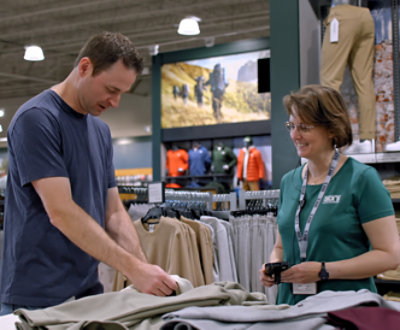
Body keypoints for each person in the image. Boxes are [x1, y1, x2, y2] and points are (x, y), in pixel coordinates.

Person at [0, 31, 177, 314]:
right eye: (111, 89)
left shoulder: (100, 131)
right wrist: (133, 269)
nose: (115, 102)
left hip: (87, 290)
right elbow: (61, 211)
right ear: (85, 67)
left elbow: (114, 213)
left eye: (122, 93)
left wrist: (142, 268)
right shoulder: (36, 119)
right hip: (35, 296)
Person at [259, 85, 400, 305]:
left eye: (304, 127)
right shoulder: (289, 181)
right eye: (291, 125)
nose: (295, 135)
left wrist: (324, 271)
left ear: (332, 129)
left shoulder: (361, 179)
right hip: (291, 308)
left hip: (346, 309)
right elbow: (281, 246)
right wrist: (273, 265)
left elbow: (390, 256)